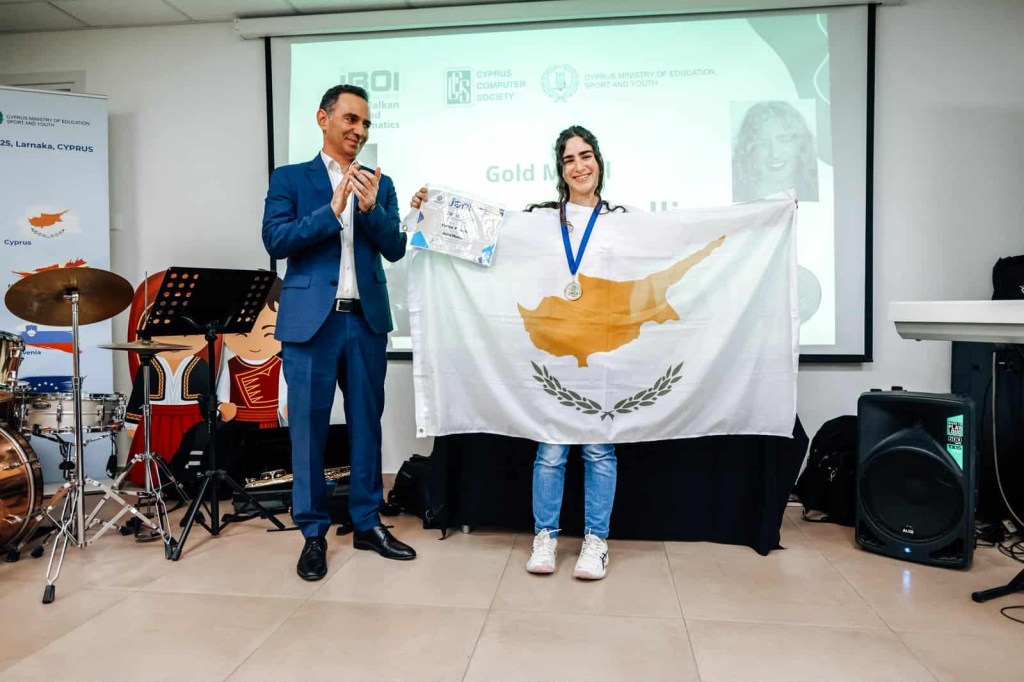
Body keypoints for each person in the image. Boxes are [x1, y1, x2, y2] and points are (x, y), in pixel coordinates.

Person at [411, 124, 624, 580]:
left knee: (599, 452)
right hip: (555, 358)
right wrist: (430, 211)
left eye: (586, 156)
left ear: (599, 162)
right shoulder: (541, 221)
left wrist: (770, 218)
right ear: (560, 170)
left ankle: (595, 541)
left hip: (604, 357)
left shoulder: (621, 220)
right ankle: (545, 536)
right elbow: (485, 239)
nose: (579, 166)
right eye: (568, 160)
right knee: (551, 451)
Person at [263, 83, 415, 582]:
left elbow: (394, 248)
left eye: (366, 123)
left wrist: (370, 211)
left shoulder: (381, 183)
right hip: (311, 323)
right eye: (351, 119)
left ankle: (368, 523)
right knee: (307, 429)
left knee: (367, 424)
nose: (359, 130)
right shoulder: (290, 178)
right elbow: (277, 238)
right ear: (323, 119)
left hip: (365, 320)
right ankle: (312, 533)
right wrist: (331, 210)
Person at [731, 100, 819, 202]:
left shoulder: (813, 192)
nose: (775, 154)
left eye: (784, 140)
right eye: (762, 144)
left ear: (800, 144)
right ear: (749, 151)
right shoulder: (739, 195)